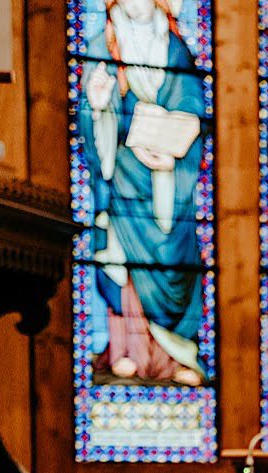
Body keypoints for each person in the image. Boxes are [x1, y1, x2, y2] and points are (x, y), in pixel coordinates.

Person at [80, 0, 207, 386]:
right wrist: (98, 106)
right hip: (123, 175)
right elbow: (90, 114)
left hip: (169, 178)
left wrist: (174, 145)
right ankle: (126, 351)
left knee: (176, 259)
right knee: (124, 262)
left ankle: (177, 353)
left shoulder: (176, 49)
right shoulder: (102, 45)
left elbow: (192, 105)